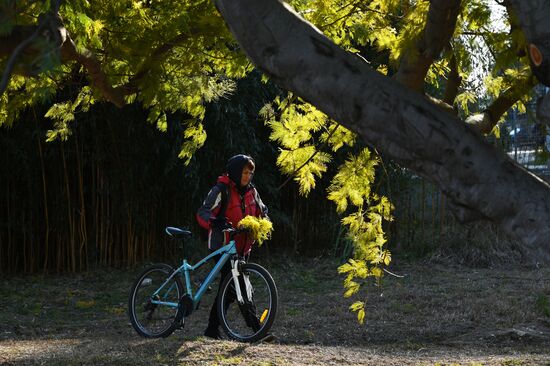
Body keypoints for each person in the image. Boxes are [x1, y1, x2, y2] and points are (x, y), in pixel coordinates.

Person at [196, 154, 269, 339]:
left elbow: (263, 211)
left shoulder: (252, 191)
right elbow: (203, 212)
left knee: (229, 290)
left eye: (250, 173)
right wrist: (215, 223)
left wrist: (264, 223)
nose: (248, 176)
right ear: (236, 172)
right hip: (222, 247)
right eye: (245, 172)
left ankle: (212, 330)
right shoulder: (222, 189)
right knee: (238, 288)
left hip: (243, 249)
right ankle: (257, 331)